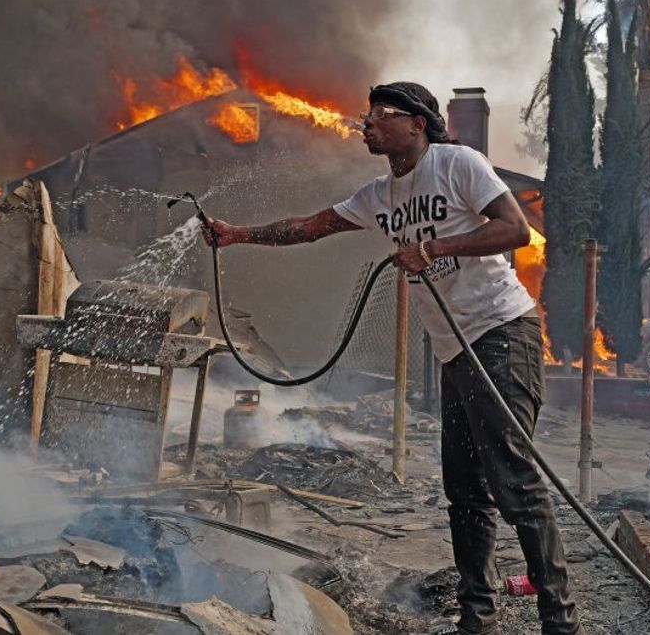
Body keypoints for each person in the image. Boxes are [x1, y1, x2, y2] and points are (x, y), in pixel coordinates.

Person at [201, 81, 582, 635]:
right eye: (368, 115)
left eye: (384, 115)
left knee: (515, 481)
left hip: (502, 335)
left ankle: (560, 621)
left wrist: (433, 248)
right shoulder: (378, 196)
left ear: (418, 124)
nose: (369, 123)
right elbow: (309, 228)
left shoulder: (457, 164)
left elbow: (515, 230)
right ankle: (478, 619)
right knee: (465, 493)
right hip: (455, 350)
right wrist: (236, 235)